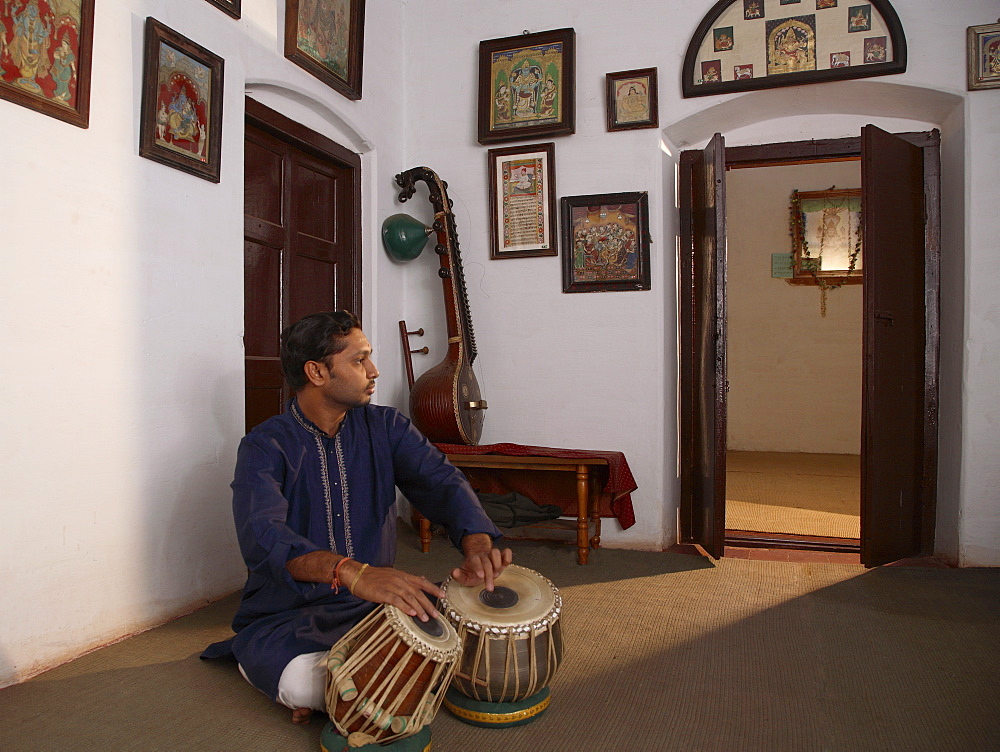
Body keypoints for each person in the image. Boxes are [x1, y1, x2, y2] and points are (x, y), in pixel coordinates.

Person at [202, 310, 512, 724]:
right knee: (302, 683)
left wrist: (477, 542)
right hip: (291, 615)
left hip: (381, 603)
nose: (374, 370)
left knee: (487, 629)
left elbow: (441, 482)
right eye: (358, 360)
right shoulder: (265, 447)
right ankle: (292, 674)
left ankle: (350, 683)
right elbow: (264, 537)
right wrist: (351, 572)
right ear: (316, 372)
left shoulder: (386, 426)